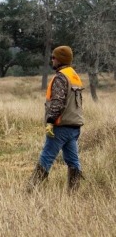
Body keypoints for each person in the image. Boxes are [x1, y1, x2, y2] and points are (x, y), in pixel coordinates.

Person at [27, 45, 84, 193]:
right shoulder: (74, 75)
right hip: (74, 126)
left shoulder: (60, 77)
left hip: (61, 126)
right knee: (73, 161)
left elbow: (58, 102)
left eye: (54, 57)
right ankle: (74, 192)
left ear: (60, 59)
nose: (52, 60)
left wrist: (50, 121)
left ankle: (31, 190)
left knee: (46, 158)